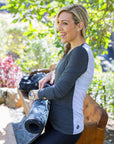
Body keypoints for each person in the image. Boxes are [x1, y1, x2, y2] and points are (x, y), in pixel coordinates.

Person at [30, 4, 94, 144]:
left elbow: (60, 90)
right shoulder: (74, 49)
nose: (59, 27)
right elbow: (69, 71)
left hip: (67, 128)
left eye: (65, 23)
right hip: (57, 123)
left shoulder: (80, 52)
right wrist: (52, 73)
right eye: (58, 23)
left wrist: (34, 94)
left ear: (79, 26)